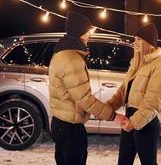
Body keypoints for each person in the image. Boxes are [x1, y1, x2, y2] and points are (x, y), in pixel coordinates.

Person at [49, 11, 127, 165]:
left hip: (61, 122)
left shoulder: (61, 53)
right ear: (80, 31)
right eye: (88, 30)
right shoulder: (72, 59)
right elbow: (85, 100)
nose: (90, 34)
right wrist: (114, 116)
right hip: (71, 127)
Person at [107, 23, 161, 165]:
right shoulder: (137, 63)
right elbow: (123, 92)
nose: (134, 43)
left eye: (138, 39)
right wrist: (107, 108)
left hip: (146, 125)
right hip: (130, 119)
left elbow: (153, 102)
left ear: (148, 42)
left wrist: (133, 122)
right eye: (135, 39)